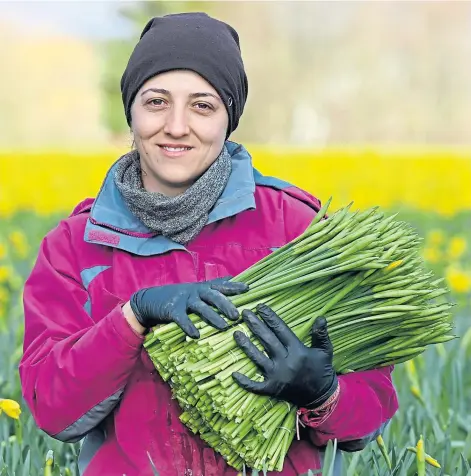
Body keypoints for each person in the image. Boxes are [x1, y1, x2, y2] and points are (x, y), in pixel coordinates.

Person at [19, 12, 398, 476]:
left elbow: (369, 416)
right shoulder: (75, 246)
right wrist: (132, 317)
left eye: (202, 105)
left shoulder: (299, 229)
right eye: (156, 102)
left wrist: (323, 395)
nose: (176, 126)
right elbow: (54, 410)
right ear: (131, 112)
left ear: (229, 117)